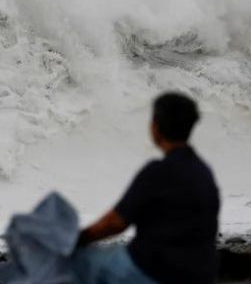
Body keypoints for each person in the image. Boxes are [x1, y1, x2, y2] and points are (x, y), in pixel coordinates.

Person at [72, 92, 221, 284]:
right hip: (200, 275)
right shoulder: (204, 172)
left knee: (78, 261)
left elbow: (115, 223)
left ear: (156, 128)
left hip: (156, 272)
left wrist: (76, 239)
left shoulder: (158, 171)